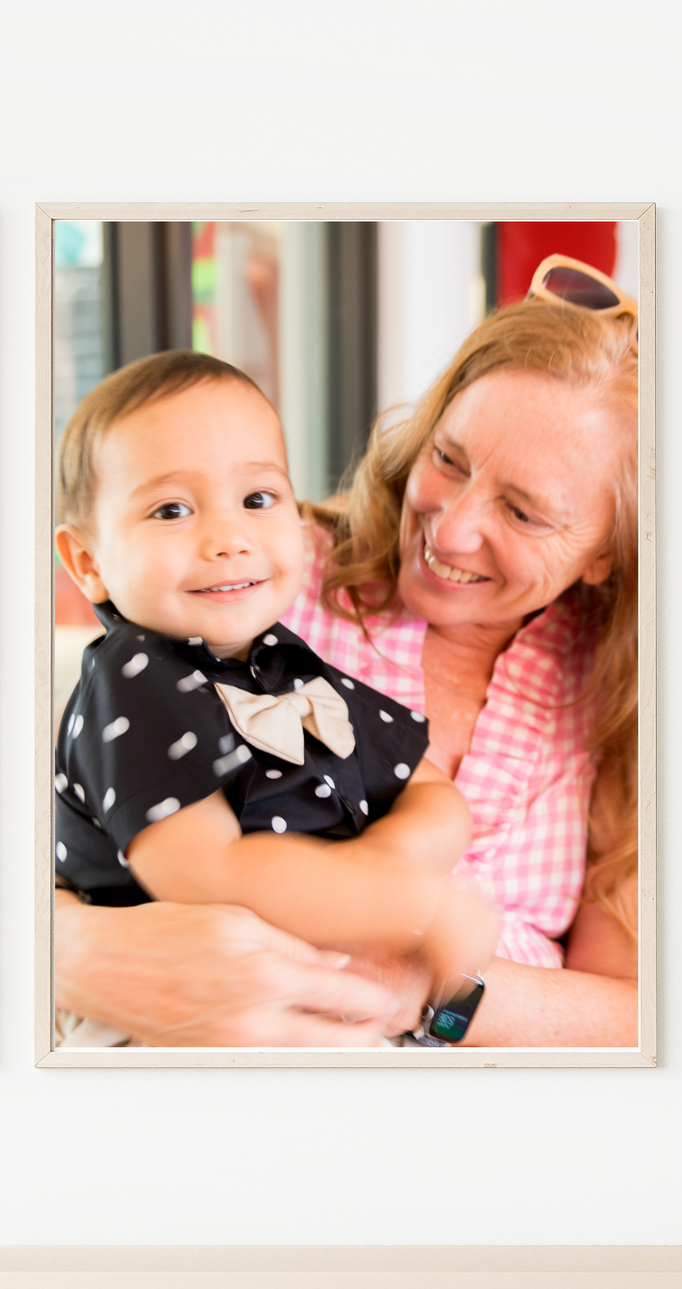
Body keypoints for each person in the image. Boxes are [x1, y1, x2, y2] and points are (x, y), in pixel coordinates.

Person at [53, 254, 642, 1049]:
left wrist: (421, 979)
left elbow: (640, 1015)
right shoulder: (248, 587)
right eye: (448, 460)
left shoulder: (624, 695)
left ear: (608, 551)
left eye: (525, 512)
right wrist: (76, 951)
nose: (452, 526)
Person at [51, 351, 496, 996]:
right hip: (166, 1015)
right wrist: (402, 902)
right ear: (88, 560)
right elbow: (205, 874)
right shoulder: (133, 675)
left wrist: (386, 858)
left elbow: (433, 794)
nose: (229, 537)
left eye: (257, 498)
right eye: (172, 511)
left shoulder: (285, 662)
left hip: (299, 992)